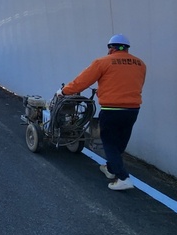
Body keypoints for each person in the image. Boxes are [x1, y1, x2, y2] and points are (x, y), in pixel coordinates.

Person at [59, 34, 146, 191]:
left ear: (110, 48)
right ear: (127, 48)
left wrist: (64, 91)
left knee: (109, 143)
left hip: (112, 110)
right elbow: (133, 85)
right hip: (133, 110)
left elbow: (82, 81)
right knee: (120, 142)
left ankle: (123, 178)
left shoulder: (103, 62)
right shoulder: (140, 64)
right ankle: (111, 169)